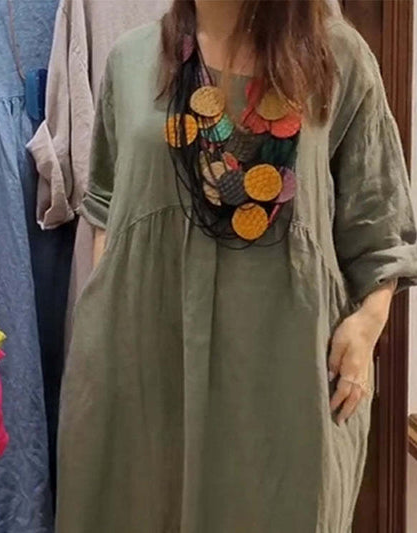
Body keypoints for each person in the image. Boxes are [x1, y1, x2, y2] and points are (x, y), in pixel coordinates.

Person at [56, 1, 417, 531]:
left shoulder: (336, 57)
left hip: (285, 370)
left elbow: (379, 218)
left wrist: (367, 326)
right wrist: (111, 326)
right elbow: (108, 207)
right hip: (145, 365)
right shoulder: (132, 59)